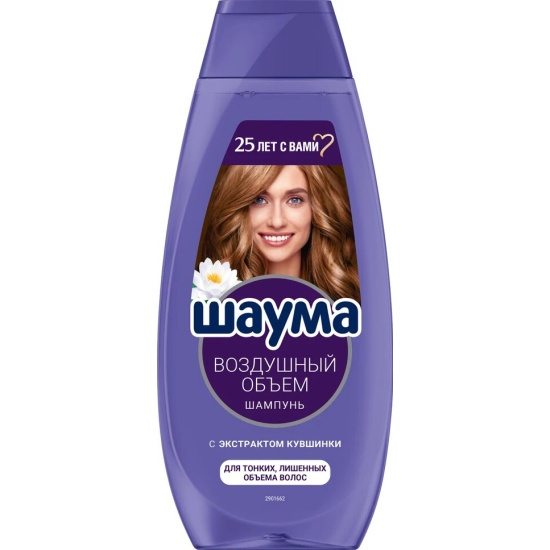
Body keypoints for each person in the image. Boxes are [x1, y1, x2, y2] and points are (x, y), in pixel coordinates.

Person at [196, 164, 360, 302]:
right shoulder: (209, 303)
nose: (277, 221)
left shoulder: (348, 302)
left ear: (317, 209)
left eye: (294, 200)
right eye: (259, 200)